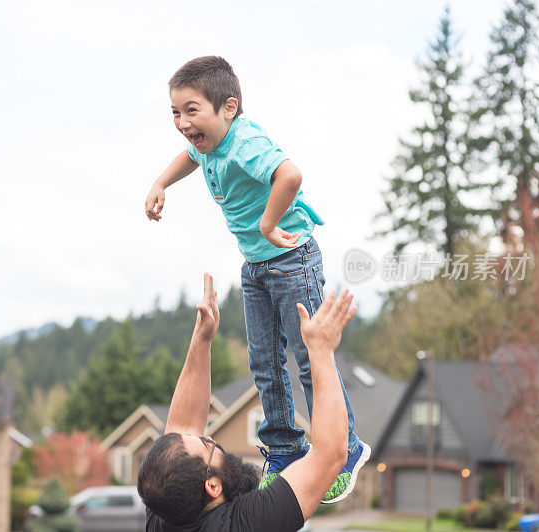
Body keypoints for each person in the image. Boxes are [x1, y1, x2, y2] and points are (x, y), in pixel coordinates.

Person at [144, 56, 368, 501]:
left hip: (291, 258)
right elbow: (188, 156)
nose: (183, 123)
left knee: (308, 359)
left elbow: (290, 175)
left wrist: (268, 224)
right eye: (175, 112)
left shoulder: (244, 142)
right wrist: (160, 183)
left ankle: (349, 449)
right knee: (264, 364)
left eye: (192, 110)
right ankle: (283, 450)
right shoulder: (207, 143)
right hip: (257, 267)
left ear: (228, 108)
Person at [137, 274, 358, 531]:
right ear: (212, 486)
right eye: (208, 446)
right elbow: (330, 456)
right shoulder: (246, 524)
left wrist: (202, 337)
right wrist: (321, 350)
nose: (212, 439)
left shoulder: (167, 506)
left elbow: (183, 425)